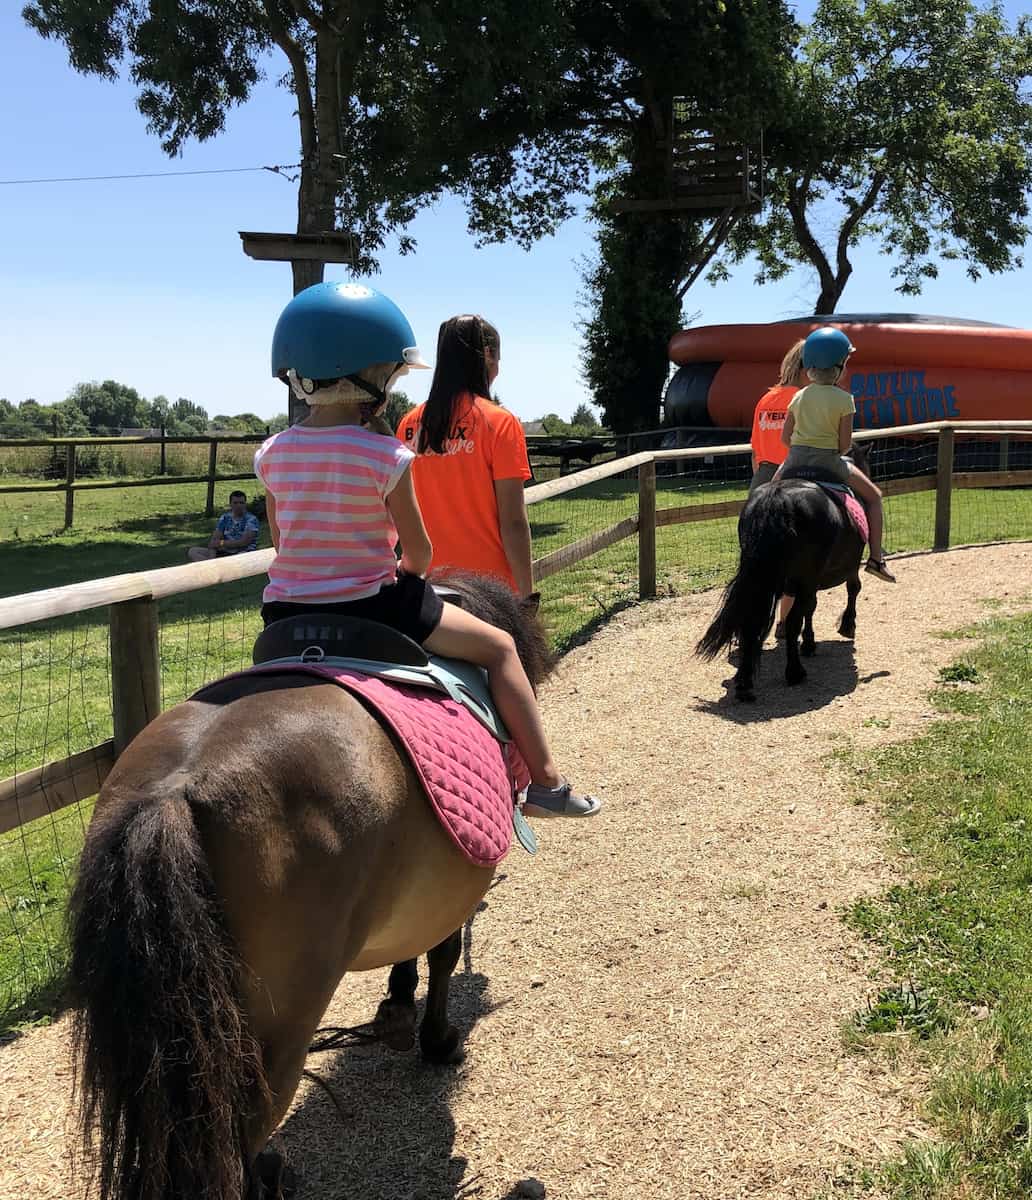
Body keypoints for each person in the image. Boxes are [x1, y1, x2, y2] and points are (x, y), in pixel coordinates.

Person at [255, 281, 599, 819]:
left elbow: (281, 541)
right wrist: (405, 569)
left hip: (282, 612)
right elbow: (418, 551)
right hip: (375, 605)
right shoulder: (387, 452)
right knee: (501, 649)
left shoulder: (271, 453)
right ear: (371, 376)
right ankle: (546, 783)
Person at [395, 315, 534, 599]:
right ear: (488, 355)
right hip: (491, 592)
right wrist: (527, 596)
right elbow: (513, 523)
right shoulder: (500, 423)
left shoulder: (409, 425)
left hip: (427, 589)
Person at [773, 327, 896, 582]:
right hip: (829, 461)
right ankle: (876, 559)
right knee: (874, 497)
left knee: (768, 495)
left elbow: (785, 438)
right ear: (839, 366)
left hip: (794, 461)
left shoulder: (798, 397)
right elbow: (844, 445)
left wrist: (800, 450)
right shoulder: (844, 399)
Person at [750, 338, 806, 633]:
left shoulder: (765, 399)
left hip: (761, 479)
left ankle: (752, 621)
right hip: (793, 477)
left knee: (756, 558)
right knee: (796, 556)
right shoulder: (804, 399)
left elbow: (755, 449)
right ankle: (785, 622)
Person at [186, 490, 260, 562]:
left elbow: (244, 542)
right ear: (230, 504)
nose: (238, 506)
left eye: (241, 503)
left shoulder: (251, 520)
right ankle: (213, 565)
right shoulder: (225, 517)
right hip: (225, 551)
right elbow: (215, 540)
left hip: (243, 552)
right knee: (193, 551)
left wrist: (221, 543)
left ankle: (215, 566)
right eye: (235, 503)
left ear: (245, 504)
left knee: (241, 557)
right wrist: (212, 558)